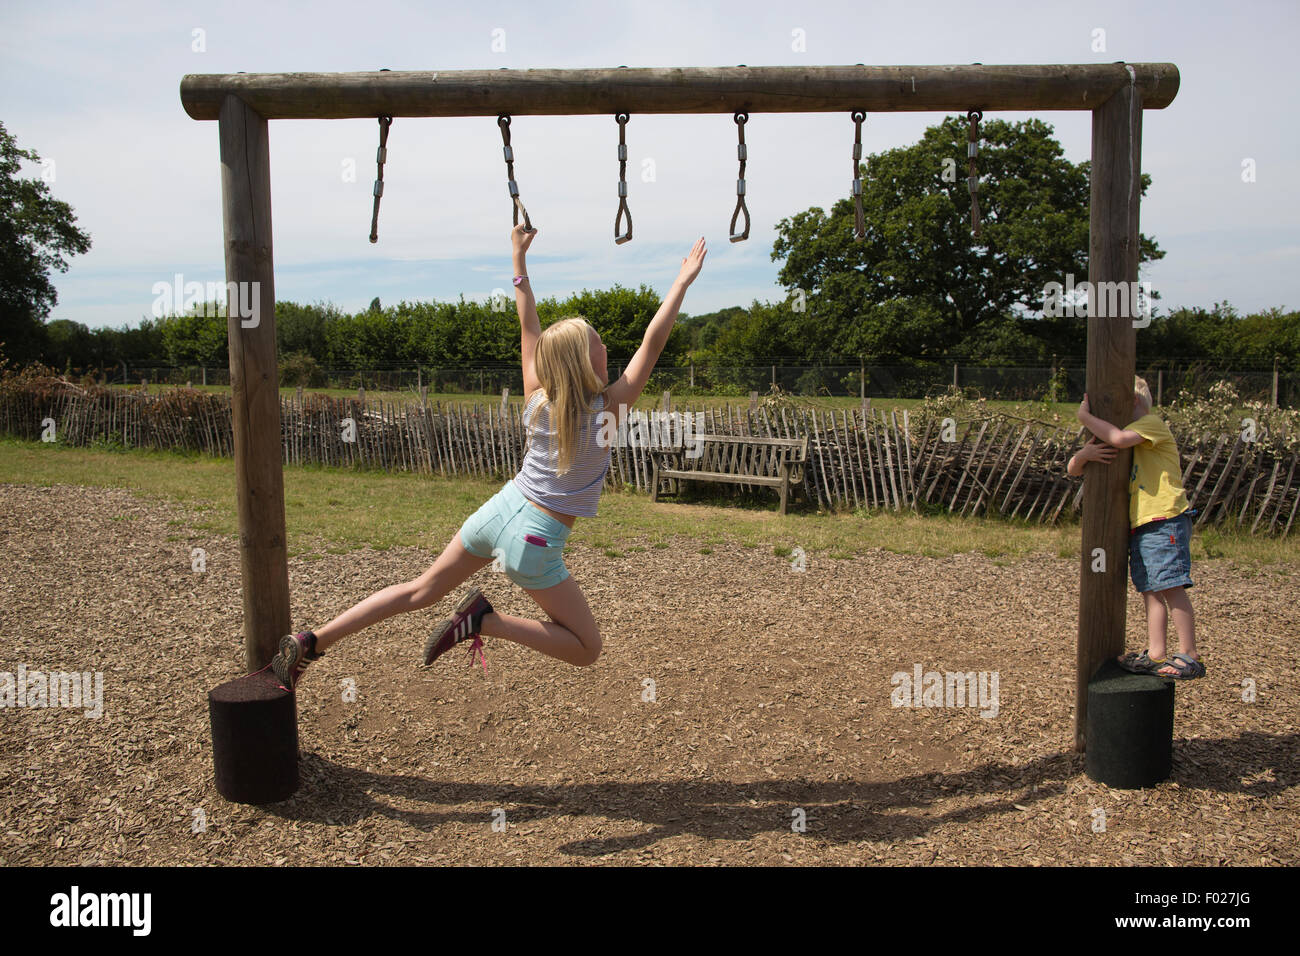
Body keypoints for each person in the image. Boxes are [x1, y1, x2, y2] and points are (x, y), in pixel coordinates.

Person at [270, 225, 708, 690]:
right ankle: (485, 621)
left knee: (420, 590)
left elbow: (528, 324)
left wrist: (518, 260)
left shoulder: (537, 397)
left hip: (498, 510)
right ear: (587, 359)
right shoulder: (609, 408)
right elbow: (652, 342)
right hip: (533, 540)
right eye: (598, 340)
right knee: (587, 648)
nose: (606, 345)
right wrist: (681, 284)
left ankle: (313, 640)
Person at [1068, 376, 1205, 680]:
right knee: (1150, 589)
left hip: (1164, 519)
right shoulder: (1133, 434)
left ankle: (1189, 654)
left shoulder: (1152, 424)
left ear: (1131, 402)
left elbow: (1116, 438)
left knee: (1171, 584)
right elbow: (1073, 468)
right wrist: (1085, 455)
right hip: (1143, 525)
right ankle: (1156, 654)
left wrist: (1085, 417)